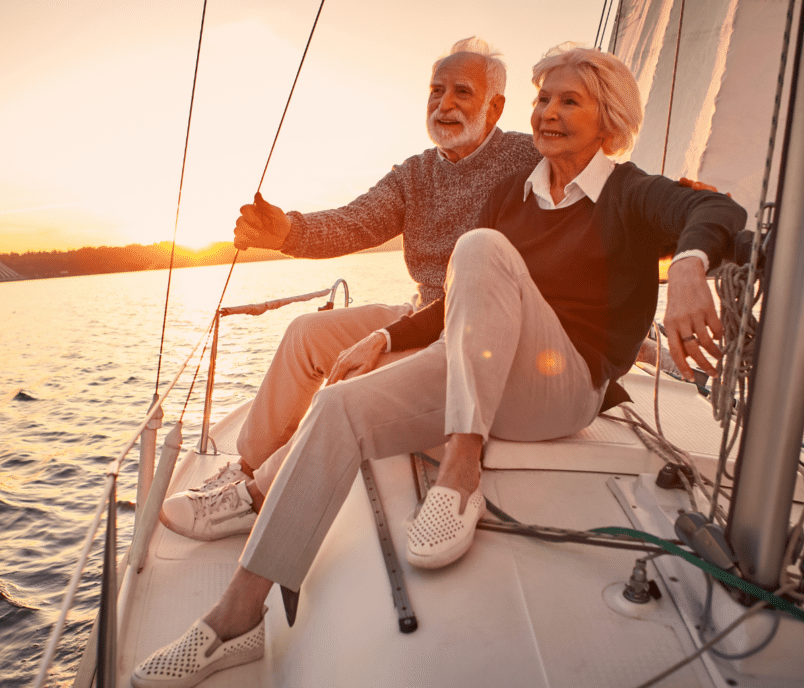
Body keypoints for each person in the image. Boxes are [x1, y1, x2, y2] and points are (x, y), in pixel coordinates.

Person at [131, 43, 746, 688]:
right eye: (544, 99)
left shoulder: (630, 191)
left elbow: (717, 212)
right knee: (339, 405)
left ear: (608, 117)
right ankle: (236, 618)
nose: (549, 113)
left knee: (479, 246)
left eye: (570, 101)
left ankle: (461, 470)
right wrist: (387, 336)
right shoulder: (515, 191)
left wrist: (686, 266)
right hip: (488, 367)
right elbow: (461, 296)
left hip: (563, 388)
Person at [158, 37, 542, 542]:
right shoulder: (416, 173)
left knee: (355, 379)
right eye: (435, 89)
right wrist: (286, 233)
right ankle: (246, 469)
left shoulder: (527, 157)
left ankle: (265, 495)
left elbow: (597, 184)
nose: (443, 104)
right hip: (421, 312)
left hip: (476, 332)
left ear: (494, 107)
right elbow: (353, 223)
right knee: (306, 334)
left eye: (461, 92)